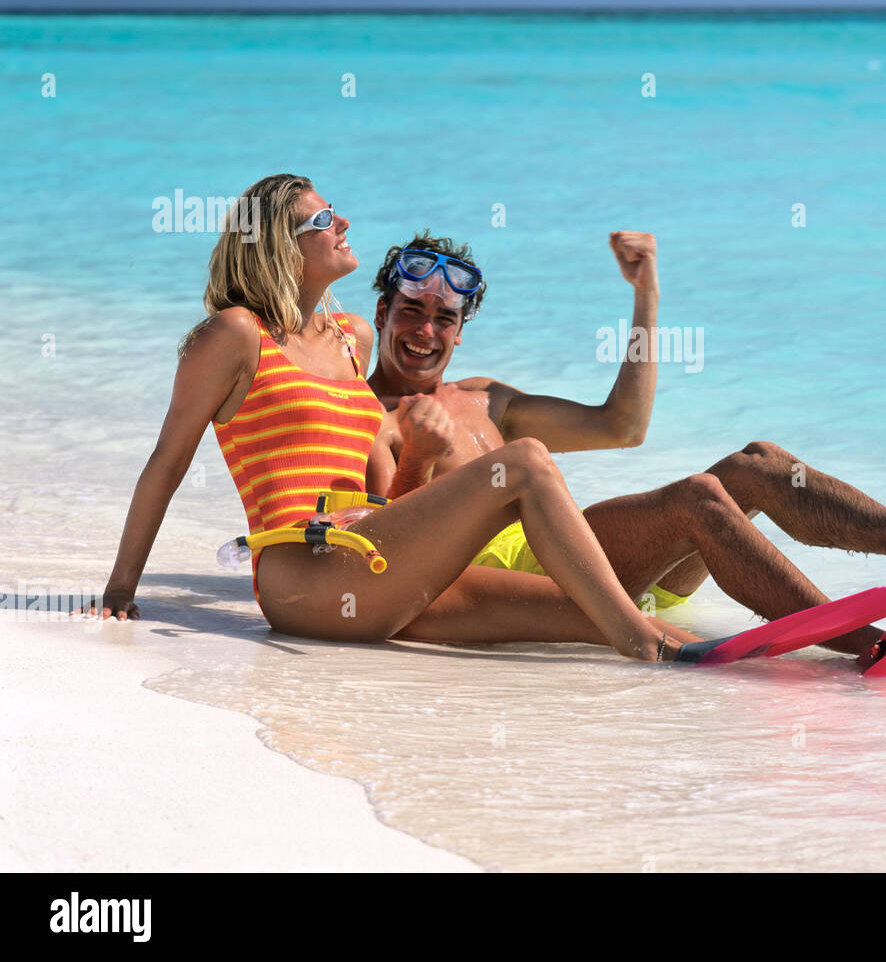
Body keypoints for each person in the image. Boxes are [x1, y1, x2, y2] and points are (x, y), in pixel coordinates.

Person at [94, 174, 724, 664]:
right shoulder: (235, 334)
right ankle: (645, 649)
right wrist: (122, 588)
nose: (341, 222)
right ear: (278, 247)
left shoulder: (351, 337)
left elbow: (377, 488)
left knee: (580, 611)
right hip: (300, 571)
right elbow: (167, 463)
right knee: (526, 463)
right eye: (320, 219)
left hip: (374, 556)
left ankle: (743, 657)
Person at [365, 232, 886, 663]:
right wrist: (418, 454)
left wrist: (646, 295)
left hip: (596, 560)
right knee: (698, 498)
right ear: (382, 310)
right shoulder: (370, 418)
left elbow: (622, 425)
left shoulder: (485, 398)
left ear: (461, 331)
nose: (426, 331)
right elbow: (383, 551)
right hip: (539, 580)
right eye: (410, 311)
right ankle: (874, 643)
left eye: (444, 318)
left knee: (759, 465)